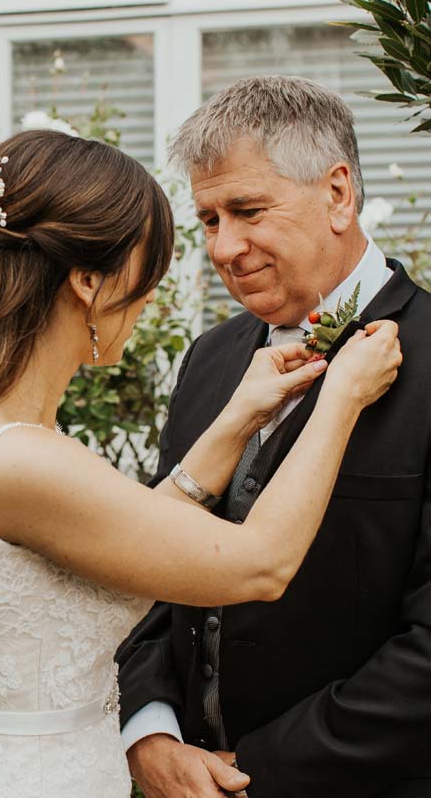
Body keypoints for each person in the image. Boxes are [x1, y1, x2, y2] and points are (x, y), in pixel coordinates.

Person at [0, 128, 399, 798]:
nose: (152, 298)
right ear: (90, 282)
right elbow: (258, 563)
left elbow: (140, 532)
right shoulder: (18, 461)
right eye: (148, 273)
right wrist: (342, 398)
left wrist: (239, 413)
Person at [117, 75, 431, 798]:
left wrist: (261, 776)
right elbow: (153, 560)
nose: (225, 247)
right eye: (207, 220)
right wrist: (150, 732)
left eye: (248, 210)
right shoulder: (210, 359)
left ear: (339, 194)